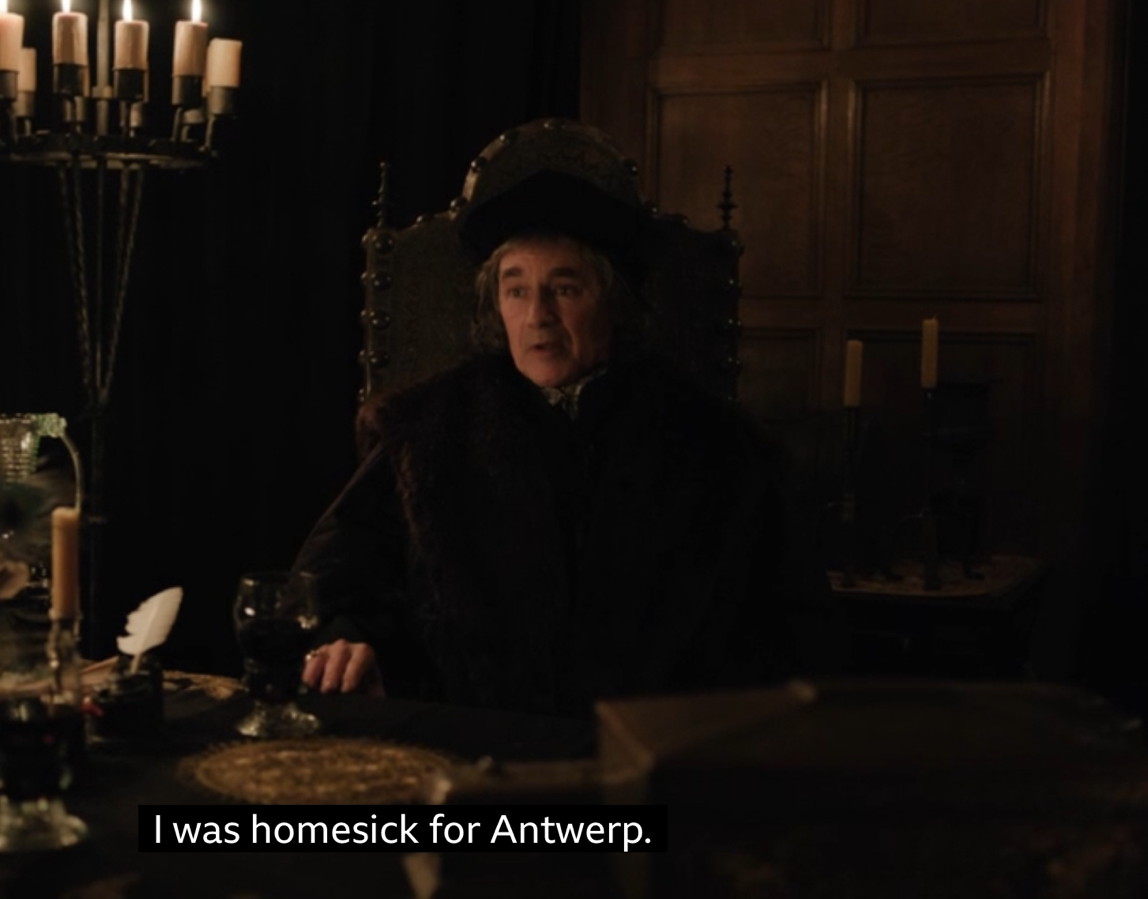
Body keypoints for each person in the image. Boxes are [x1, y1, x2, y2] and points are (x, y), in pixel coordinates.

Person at [294, 169, 843, 717]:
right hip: (464, 738)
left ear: (613, 301)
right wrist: (349, 639)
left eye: (564, 289)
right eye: (516, 290)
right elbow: (336, 574)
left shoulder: (711, 444)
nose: (538, 317)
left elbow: (791, 624)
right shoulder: (427, 428)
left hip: (653, 746)